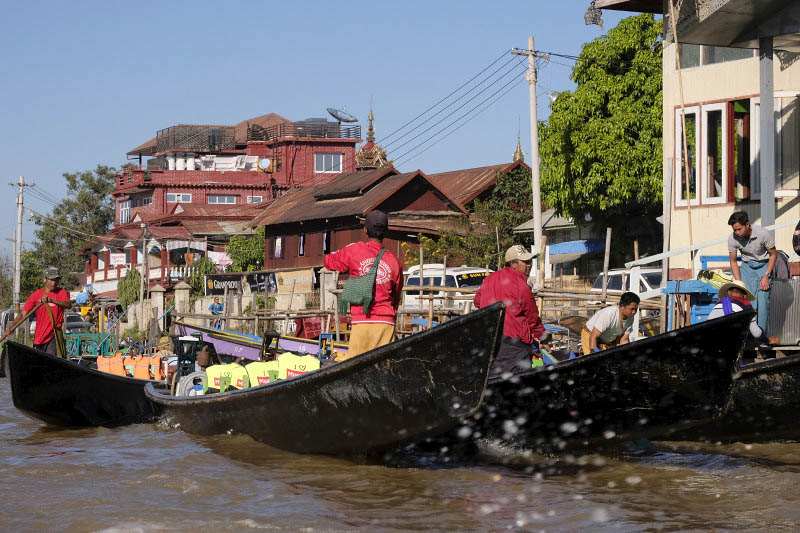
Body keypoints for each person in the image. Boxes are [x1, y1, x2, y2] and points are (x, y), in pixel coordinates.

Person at [323, 209, 403, 360]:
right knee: (383, 367)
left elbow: (328, 262)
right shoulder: (394, 261)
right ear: (385, 231)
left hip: (362, 322)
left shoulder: (354, 251)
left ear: (365, 230)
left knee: (356, 365)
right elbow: (396, 296)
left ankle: (338, 358)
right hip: (386, 324)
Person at [474, 244, 547, 375]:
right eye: (525, 262)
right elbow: (532, 318)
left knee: (493, 382)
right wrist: (544, 338)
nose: (529, 265)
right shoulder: (521, 285)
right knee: (517, 386)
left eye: (530, 261)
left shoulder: (489, 279)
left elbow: (478, 302)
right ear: (513, 264)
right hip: (514, 346)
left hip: (491, 342)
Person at [727, 211, 777, 334]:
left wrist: (766, 275)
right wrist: (739, 282)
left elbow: (773, 254)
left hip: (764, 265)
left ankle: (761, 336)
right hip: (747, 268)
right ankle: (748, 336)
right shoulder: (733, 238)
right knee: (748, 301)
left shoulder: (763, 234)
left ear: (747, 225)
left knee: (763, 300)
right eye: (734, 230)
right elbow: (733, 261)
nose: (737, 233)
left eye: (739, 229)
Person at [3, 266, 71, 356]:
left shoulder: (61, 293)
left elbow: (68, 305)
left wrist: (52, 300)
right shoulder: (36, 295)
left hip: (53, 336)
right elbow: (23, 314)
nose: (54, 283)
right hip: (39, 337)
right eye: (51, 280)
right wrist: (11, 328)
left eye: (56, 280)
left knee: (50, 361)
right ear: (44, 279)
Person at [707, 279, 779, 346]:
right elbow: (756, 333)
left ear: (729, 293)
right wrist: (767, 341)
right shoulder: (745, 304)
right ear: (744, 296)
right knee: (755, 330)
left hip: (711, 337)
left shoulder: (719, 302)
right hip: (728, 339)